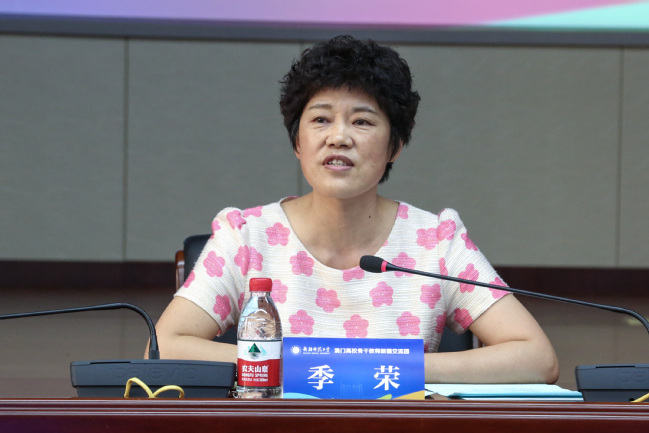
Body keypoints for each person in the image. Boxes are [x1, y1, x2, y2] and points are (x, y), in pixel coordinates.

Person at [153, 35, 559, 384]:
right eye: (321, 119)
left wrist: (389, 368)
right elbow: (163, 347)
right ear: (297, 142)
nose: (339, 137)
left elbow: (537, 358)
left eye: (362, 122)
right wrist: (303, 366)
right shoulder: (247, 237)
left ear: (395, 146)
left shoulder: (436, 242)